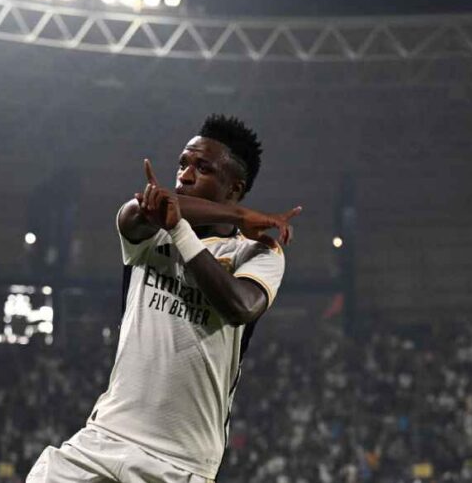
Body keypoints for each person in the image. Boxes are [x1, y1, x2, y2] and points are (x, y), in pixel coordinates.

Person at [27, 114, 301, 482]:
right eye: (182, 164)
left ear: (234, 187)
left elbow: (240, 307)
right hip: (105, 438)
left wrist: (180, 231)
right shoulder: (147, 230)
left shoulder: (256, 252)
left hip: (180, 461)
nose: (184, 175)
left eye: (202, 168)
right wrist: (233, 214)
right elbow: (141, 211)